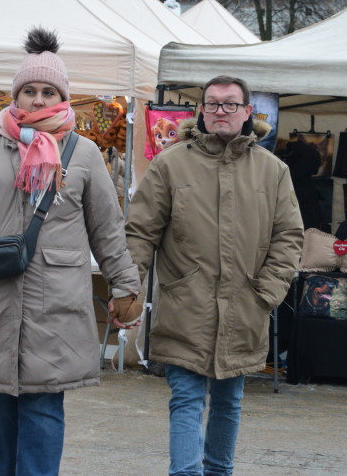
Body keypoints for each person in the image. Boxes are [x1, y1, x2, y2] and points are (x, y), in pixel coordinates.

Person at [0, 28, 141, 476]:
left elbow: (107, 227)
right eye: (29, 90)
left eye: (49, 91)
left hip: (56, 304)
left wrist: (126, 284)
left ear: (62, 98)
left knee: (43, 413)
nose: (38, 99)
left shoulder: (83, 154)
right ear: (16, 95)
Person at [125, 75, 303, 476]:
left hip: (244, 307)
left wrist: (267, 294)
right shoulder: (170, 164)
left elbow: (289, 237)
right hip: (185, 306)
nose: (220, 111)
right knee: (186, 399)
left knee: (229, 401)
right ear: (201, 111)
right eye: (213, 103)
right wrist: (127, 290)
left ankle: (219, 472)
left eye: (230, 104)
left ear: (247, 113)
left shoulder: (273, 171)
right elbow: (139, 232)